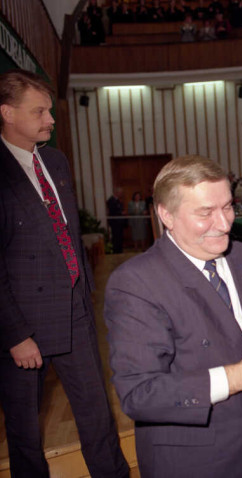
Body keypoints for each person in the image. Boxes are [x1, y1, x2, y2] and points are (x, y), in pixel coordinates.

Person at [105, 156, 242, 478]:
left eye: (228, 207)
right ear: (166, 215)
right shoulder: (135, 282)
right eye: (205, 212)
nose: (225, 223)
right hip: (196, 459)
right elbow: (139, 395)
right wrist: (236, 378)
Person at [0, 69, 128, 477]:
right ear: (6, 112)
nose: (50, 120)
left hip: (74, 312)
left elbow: (66, 235)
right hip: (22, 328)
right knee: (24, 434)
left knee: (98, 419)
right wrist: (16, 334)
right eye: (39, 112)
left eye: (49, 111)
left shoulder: (55, 160)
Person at [107, 187, 126, 253]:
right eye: (120, 192)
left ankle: (120, 250)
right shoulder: (111, 200)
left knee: (120, 237)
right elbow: (112, 211)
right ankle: (116, 250)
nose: (121, 194)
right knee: (116, 237)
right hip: (115, 222)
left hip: (119, 222)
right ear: (116, 192)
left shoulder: (118, 200)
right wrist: (121, 212)